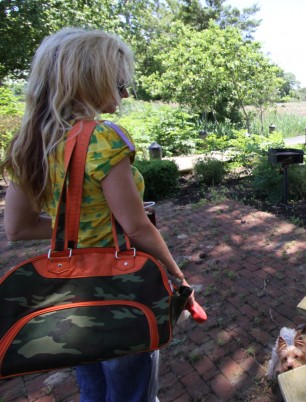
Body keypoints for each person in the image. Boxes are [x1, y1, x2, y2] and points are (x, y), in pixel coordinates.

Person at [1, 28, 192, 402]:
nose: (124, 93)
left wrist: (83, 228)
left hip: (73, 293)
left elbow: (18, 228)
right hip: (122, 289)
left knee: (93, 385)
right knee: (133, 392)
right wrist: (177, 275)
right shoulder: (104, 139)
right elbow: (136, 228)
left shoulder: (29, 142)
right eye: (119, 83)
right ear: (91, 79)